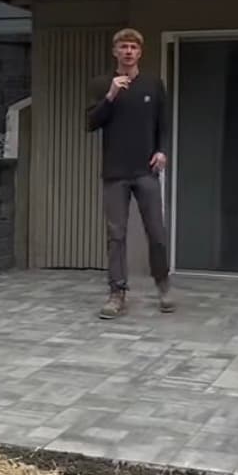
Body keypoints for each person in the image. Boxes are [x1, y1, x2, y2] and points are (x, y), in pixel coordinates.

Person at [87, 28, 174, 320]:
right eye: (123, 47)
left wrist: (162, 150)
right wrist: (111, 95)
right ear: (115, 52)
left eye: (133, 47)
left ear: (140, 52)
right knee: (116, 235)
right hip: (115, 173)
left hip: (146, 171)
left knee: (157, 233)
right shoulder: (102, 84)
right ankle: (117, 293)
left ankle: (163, 286)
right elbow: (91, 122)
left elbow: (163, 122)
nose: (128, 52)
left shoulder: (153, 84)